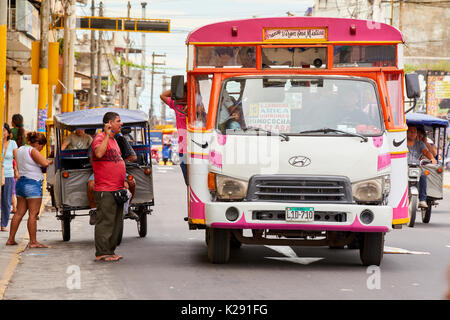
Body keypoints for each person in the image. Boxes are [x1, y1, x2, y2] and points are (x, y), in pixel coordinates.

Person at [6, 132, 52, 248]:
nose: (41, 149)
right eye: (41, 146)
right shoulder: (33, 150)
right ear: (37, 143)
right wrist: (51, 161)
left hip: (21, 182)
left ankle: (11, 239)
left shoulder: (21, 149)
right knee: (33, 214)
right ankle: (33, 242)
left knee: (19, 213)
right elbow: (45, 163)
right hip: (33, 183)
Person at [91, 112, 126, 262]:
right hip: (105, 189)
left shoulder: (115, 141)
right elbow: (99, 154)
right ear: (109, 123)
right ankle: (102, 252)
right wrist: (106, 135)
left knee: (115, 222)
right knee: (105, 222)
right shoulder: (100, 138)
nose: (121, 123)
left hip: (117, 188)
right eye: (118, 121)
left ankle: (110, 251)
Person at [87, 130, 138, 224]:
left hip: (118, 171)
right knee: (91, 185)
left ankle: (128, 207)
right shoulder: (97, 139)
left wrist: (120, 162)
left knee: (132, 182)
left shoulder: (120, 139)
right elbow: (92, 158)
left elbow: (133, 157)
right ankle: (94, 210)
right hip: (101, 171)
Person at [160, 86, 188, 185]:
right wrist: (177, 87)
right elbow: (162, 95)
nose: (178, 95)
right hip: (183, 150)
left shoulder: (198, 105)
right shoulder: (177, 105)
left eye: (181, 93)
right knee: (188, 183)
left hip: (198, 149)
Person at [407, 126, 437, 208]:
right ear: (406, 132)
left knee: (423, 176)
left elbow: (426, 152)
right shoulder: (402, 142)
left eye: (414, 132)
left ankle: (422, 200)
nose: (413, 133)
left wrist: (432, 158)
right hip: (404, 167)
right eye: (410, 131)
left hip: (417, 167)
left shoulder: (420, 144)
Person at [1, 124, 18, 231]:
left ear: (8, 132)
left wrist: (17, 171)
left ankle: (3, 224)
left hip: (8, 174)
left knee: (6, 200)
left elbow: (16, 158)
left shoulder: (13, 143)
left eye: (4, 130)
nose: (2, 132)